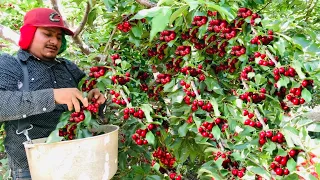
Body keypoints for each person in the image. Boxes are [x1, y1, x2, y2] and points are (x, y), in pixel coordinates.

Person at [0, 8, 106, 179]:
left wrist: (96, 99)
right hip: (31, 167)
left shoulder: (68, 67)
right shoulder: (10, 64)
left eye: (58, 37)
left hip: (75, 159)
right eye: (47, 34)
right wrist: (53, 96)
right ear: (29, 34)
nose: (54, 41)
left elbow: (89, 104)